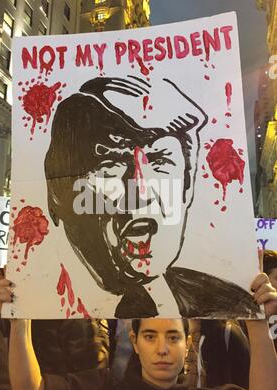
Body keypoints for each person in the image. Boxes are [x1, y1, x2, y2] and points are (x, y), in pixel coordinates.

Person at [45, 76, 259, 319]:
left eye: (159, 161)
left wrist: (261, 320)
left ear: (186, 187)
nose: (141, 192)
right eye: (111, 164)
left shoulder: (230, 305)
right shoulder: (35, 307)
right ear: (58, 192)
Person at [0, 272, 277, 390]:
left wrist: (257, 324)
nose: (162, 349)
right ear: (135, 341)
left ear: (187, 341)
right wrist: (20, 323)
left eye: (173, 337)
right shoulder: (103, 389)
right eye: (151, 337)